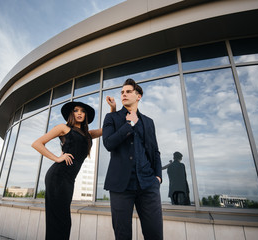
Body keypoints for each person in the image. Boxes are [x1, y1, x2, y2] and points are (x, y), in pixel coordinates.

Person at [32, 100, 115, 240]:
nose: (79, 113)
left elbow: (106, 129)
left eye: (83, 111)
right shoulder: (63, 128)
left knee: (63, 220)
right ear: (71, 113)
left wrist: (113, 108)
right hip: (57, 177)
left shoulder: (88, 134)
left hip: (69, 179)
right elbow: (37, 143)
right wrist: (57, 158)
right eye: (76, 110)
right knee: (59, 220)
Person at [102, 78, 163, 240]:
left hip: (148, 185)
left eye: (128, 91)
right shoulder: (111, 118)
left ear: (138, 96)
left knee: (155, 234)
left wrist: (158, 178)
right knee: (122, 236)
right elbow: (108, 143)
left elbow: (155, 151)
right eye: (122, 92)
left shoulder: (149, 122)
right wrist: (128, 125)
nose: (124, 94)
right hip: (121, 186)